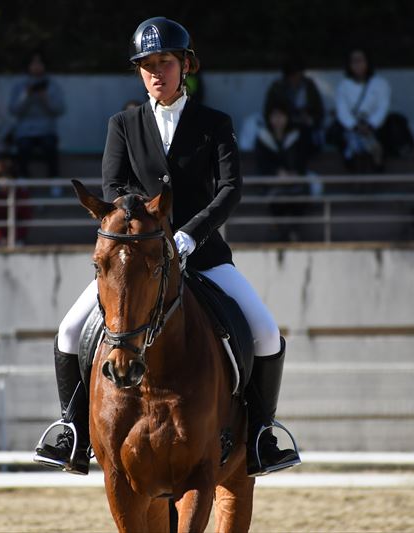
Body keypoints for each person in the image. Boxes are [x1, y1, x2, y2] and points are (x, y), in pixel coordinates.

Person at [33, 17, 301, 477]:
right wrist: (148, 227)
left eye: (165, 62)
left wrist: (190, 233)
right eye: (147, 65)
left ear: (185, 65)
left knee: (265, 332)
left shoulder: (215, 123)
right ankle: (72, 431)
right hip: (140, 257)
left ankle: (261, 433)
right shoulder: (123, 123)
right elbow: (114, 184)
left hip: (204, 253)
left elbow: (231, 188)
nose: (156, 72)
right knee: (70, 331)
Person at [255, 101, 308, 241]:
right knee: (278, 198)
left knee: (299, 196)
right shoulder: (263, 137)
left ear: (287, 117)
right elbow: (262, 163)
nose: (278, 120)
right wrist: (276, 173)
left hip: (293, 181)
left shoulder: (296, 136)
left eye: (281, 116)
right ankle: (279, 231)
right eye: (274, 116)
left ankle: (293, 231)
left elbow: (301, 159)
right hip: (272, 183)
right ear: (269, 118)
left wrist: (293, 173)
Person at [9, 50, 66, 179]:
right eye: (33, 63)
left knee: (50, 146)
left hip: (47, 130)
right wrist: (26, 96)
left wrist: (46, 99)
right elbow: (13, 110)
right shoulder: (19, 85)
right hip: (25, 131)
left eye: (39, 63)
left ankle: (54, 180)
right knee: (23, 147)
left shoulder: (52, 85)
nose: (36, 66)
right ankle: (23, 178)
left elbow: (60, 109)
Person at [264, 57, 324, 164]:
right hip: (284, 126)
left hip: (306, 127)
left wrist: (311, 119)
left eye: (298, 74)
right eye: (292, 75)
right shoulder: (277, 88)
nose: (295, 78)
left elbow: (319, 111)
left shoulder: (309, 86)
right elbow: (269, 111)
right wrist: (284, 119)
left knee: (306, 139)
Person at [0, 158, 32, 246]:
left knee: (19, 246)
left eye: (4, 176)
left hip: (17, 239)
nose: (2, 180)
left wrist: (12, 237)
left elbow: (25, 221)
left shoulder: (21, 195)